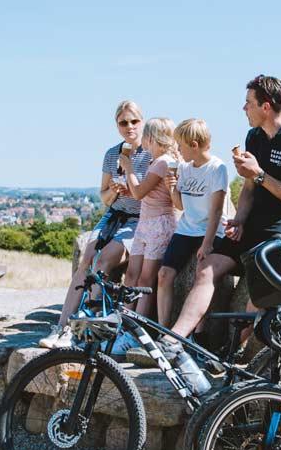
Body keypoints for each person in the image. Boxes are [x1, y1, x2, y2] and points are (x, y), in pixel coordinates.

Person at [167, 75, 281, 343]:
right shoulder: (254, 137)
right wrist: (239, 220)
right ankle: (176, 339)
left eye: (248, 103)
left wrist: (259, 174)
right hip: (254, 223)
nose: (243, 108)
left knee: (262, 288)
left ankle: (234, 354)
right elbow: (249, 189)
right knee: (207, 267)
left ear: (266, 107)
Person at [40, 100, 153, 348]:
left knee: (103, 262)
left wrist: (131, 187)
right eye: (123, 122)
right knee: (87, 260)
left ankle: (89, 327)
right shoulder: (112, 154)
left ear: (142, 122)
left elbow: (153, 195)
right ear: (117, 125)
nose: (129, 127)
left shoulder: (151, 153)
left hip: (140, 219)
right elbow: (103, 196)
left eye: (134, 121)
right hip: (114, 214)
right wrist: (114, 191)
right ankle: (63, 326)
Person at [157, 118, 230, 327]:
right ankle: (164, 329)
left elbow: (216, 210)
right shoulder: (185, 168)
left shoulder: (218, 168)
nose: (178, 150)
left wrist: (207, 244)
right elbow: (180, 205)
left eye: (180, 145)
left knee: (201, 280)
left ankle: (198, 335)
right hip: (186, 229)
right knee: (164, 274)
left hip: (210, 230)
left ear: (194, 145)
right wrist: (172, 188)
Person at [125, 118, 181, 319]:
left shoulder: (163, 162)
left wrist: (128, 168)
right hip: (145, 223)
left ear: (151, 138)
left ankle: (136, 325)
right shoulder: (156, 161)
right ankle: (124, 318)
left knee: (146, 279)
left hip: (159, 224)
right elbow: (147, 193)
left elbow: (140, 193)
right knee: (132, 274)